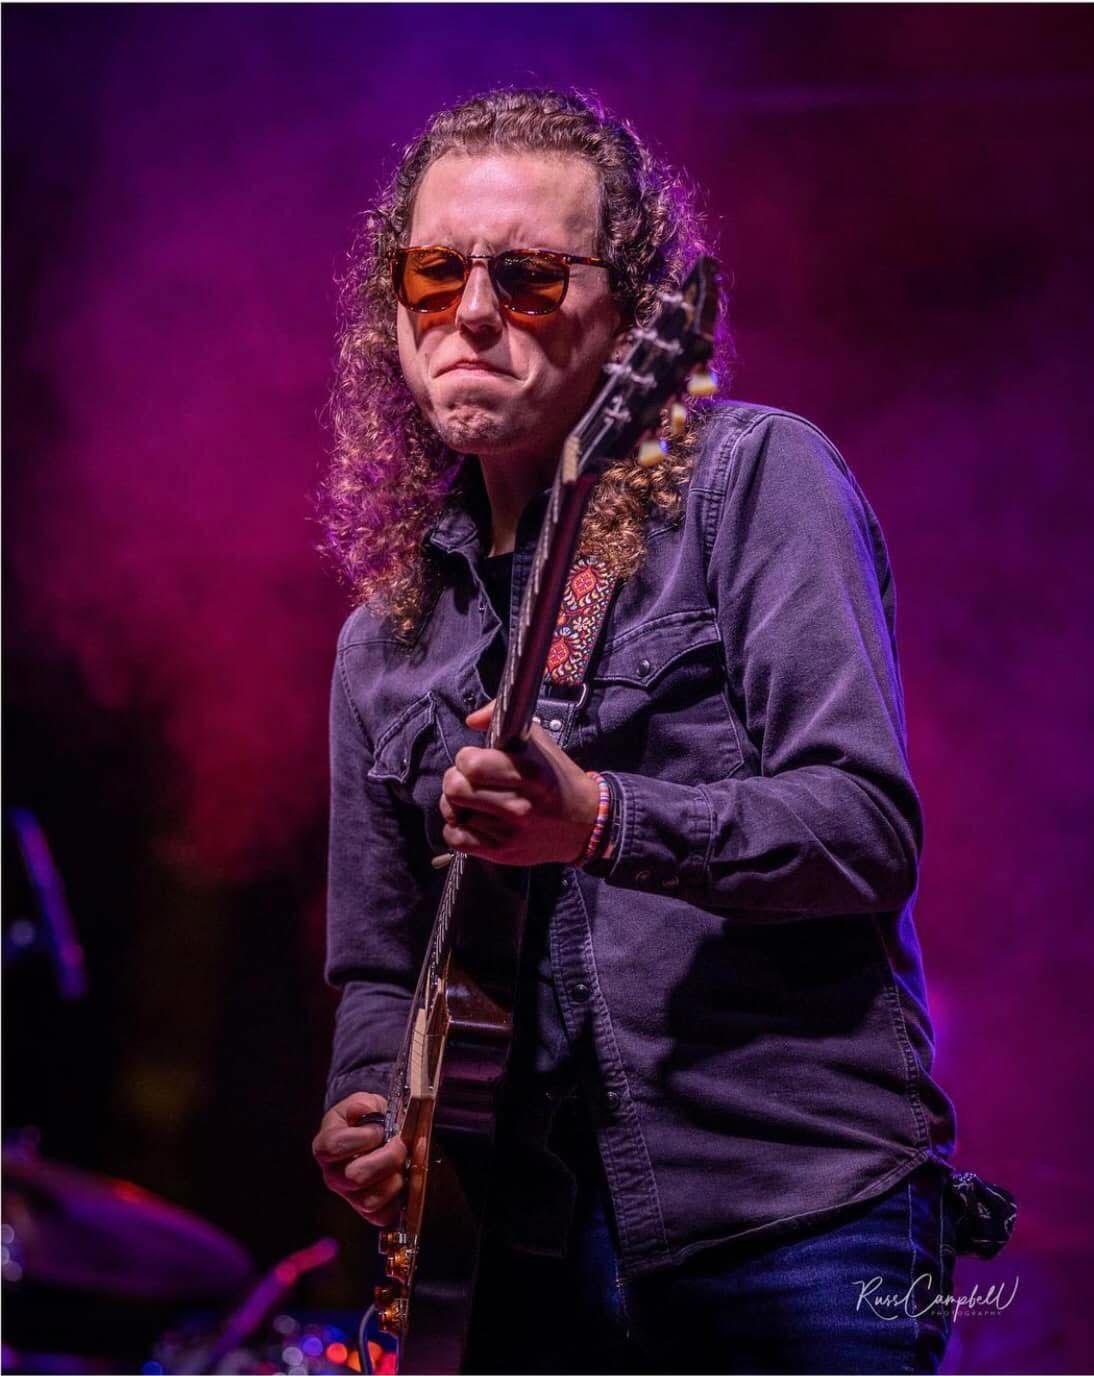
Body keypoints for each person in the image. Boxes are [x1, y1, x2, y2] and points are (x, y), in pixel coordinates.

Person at [312, 88, 959, 1374]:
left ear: (628, 317)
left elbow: (861, 827)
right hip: (514, 1255)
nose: (472, 312)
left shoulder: (751, 483)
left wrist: (599, 818)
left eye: (528, 276)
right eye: (435, 272)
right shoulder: (381, 638)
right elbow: (379, 966)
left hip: (786, 1212)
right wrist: (368, 1101)